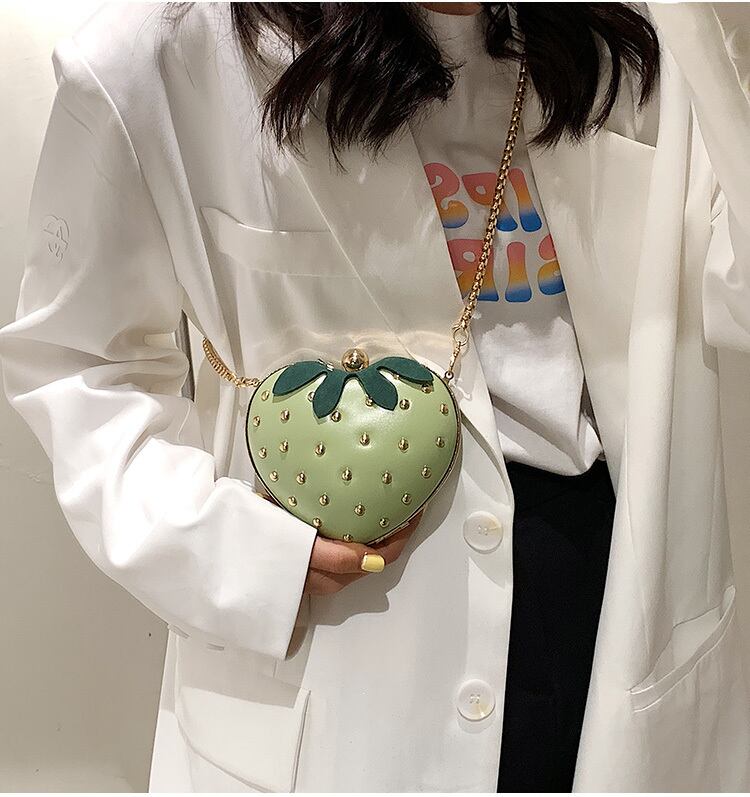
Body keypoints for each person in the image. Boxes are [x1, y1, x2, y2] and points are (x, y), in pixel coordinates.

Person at [0, 1, 748, 792]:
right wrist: (232, 551)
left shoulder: (632, 35)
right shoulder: (162, 60)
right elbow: (79, 366)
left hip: (603, 620)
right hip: (342, 649)